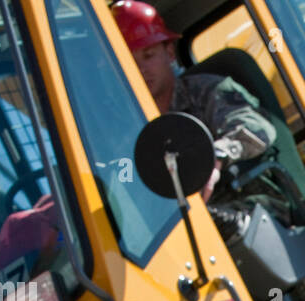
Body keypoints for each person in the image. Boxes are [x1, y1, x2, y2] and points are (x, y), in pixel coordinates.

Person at [111, 1, 282, 230]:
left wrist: (216, 156)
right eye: (130, 63)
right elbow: (125, 186)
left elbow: (257, 127)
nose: (141, 70)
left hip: (251, 212)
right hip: (184, 231)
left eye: (148, 56)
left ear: (169, 52)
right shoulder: (133, 132)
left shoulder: (207, 91)